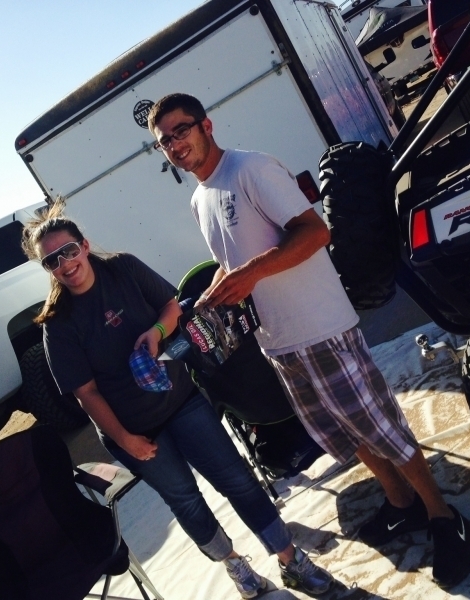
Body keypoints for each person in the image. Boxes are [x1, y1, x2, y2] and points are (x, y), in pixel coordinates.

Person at [148, 93, 470, 588]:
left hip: (321, 327)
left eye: (181, 130)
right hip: (278, 342)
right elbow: (233, 258)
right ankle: (401, 502)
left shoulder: (250, 169)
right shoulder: (200, 198)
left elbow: (314, 232)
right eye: (164, 141)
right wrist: (217, 290)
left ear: (206, 125)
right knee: (347, 433)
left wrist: (250, 274)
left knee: (381, 427)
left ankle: (443, 516)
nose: (175, 145)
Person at [21, 204, 333, 599]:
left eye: (68, 251)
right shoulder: (58, 324)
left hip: (182, 400)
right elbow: (87, 394)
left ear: (83, 245)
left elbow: (171, 306)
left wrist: (156, 332)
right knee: (186, 501)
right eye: (51, 260)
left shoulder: (123, 268)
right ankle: (235, 565)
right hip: (133, 431)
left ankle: (291, 559)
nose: (64, 264)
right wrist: (126, 440)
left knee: (237, 480)